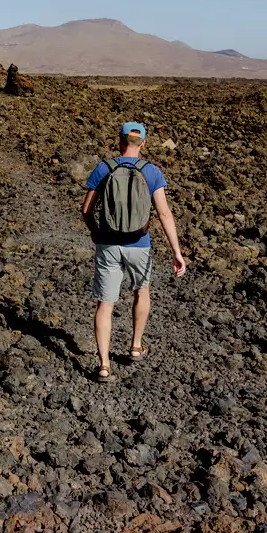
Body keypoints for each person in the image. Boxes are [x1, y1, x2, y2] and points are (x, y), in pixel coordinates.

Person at [81, 122, 187, 381]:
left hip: (107, 244)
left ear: (119, 141)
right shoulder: (151, 172)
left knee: (105, 304)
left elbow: (86, 209)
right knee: (142, 291)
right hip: (140, 245)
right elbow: (164, 213)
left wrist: (97, 233)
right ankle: (135, 346)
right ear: (144, 144)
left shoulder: (104, 168)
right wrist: (176, 251)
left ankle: (104, 366)